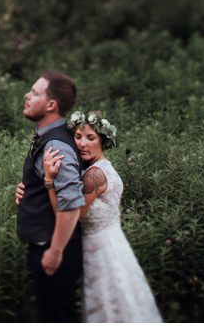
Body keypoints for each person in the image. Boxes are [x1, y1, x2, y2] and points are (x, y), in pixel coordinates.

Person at [33, 109, 163, 323]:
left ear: (103, 141)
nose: (82, 143)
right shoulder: (100, 168)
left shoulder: (94, 175)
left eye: (90, 138)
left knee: (110, 308)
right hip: (112, 244)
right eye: (78, 136)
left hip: (102, 252)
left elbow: (66, 212)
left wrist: (48, 181)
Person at [15, 70, 85, 322]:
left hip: (55, 248)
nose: (27, 95)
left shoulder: (56, 145)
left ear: (51, 105)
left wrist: (55, 250)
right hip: (48, 244)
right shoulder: (52, 137)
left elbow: (71, 203)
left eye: (35, 93)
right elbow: (52, 187)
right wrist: (29, 192)